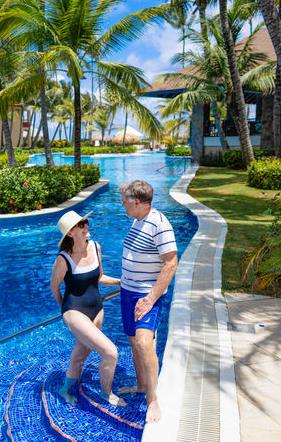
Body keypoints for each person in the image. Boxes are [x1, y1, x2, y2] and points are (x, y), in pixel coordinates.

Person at [117, 180, 178, 423]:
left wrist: (150, 299)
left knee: (144, 343)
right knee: (134, 343)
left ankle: (152, 399)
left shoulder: (160, 224)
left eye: (125, 202)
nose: (122, 206)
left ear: (137, 202)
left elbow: (171, 263)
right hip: (127, 292)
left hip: (145, 295)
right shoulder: (138, 220)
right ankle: (142, 385)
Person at [50, 210, 125, 407]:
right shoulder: (63, 258)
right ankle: (106, 393)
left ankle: (65, 389)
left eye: (85, 222)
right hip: (74, 311)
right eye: (80, 224)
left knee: (80, 356)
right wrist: (66, 312)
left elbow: (100, 277)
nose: (85, 226)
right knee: (110, 352)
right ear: (70, 233)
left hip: (97, 308)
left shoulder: (95, 246)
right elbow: (54, 287)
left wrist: (121, 282)